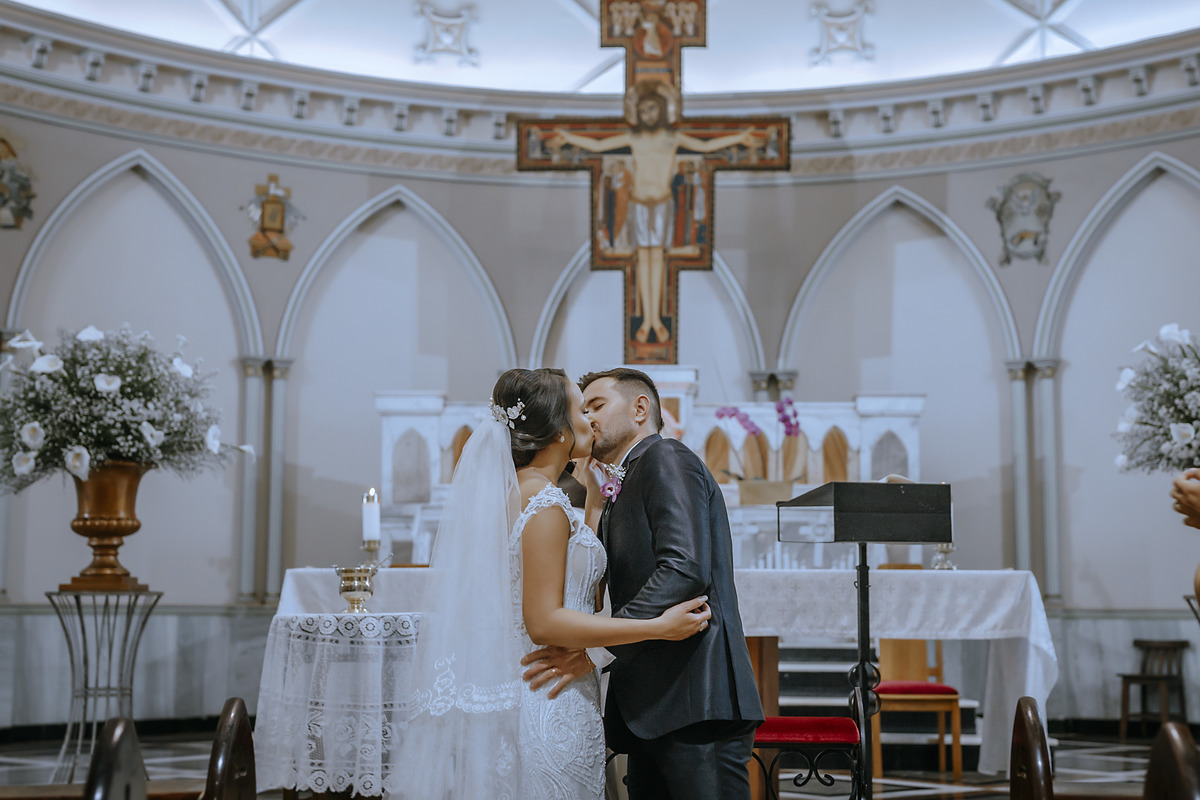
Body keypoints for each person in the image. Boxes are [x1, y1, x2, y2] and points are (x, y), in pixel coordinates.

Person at [395, 367, 711, 800]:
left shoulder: (533, 495)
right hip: (548, 694)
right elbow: (544, 621)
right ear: (562, 431)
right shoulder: (542, 504)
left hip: (556, 688)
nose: (591, 419)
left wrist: (594, 504)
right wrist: (657, 627)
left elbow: (580, 593)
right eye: (582, 409)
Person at [524, 367, 764, 800]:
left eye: (596, 405)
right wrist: (595, 503)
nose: (588, 418)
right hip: (657, 704)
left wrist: (596, 652)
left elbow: (684, 568)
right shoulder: (621, 481)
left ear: (640, 409)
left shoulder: (666, 457)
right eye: (583, 409)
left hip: (695, 699)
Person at [549, 85, 760, 345]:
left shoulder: (673, 138)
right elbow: (599, 144)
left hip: (662, 204)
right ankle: (648, 319)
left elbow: (706, 145)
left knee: (657, 262)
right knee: (643, 262)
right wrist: (568, 138)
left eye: (651, 109)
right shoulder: (634, 138)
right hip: (639, 203)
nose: (646, 114)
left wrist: (739, 138)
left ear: (661, 110)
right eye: (642, 110)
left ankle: (654, 320)